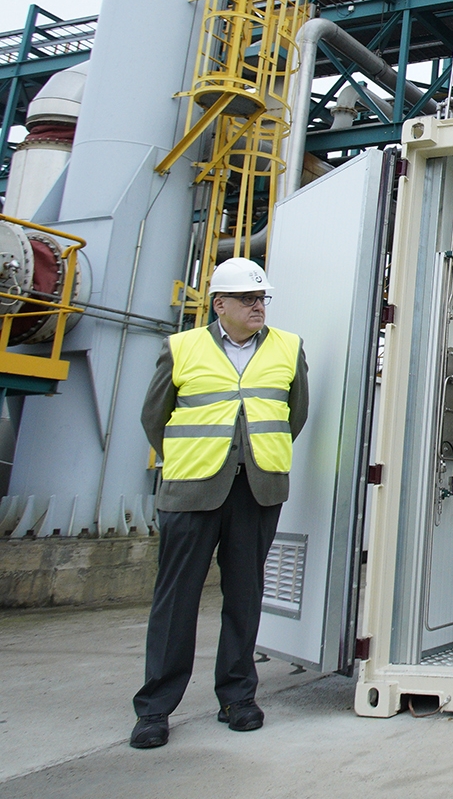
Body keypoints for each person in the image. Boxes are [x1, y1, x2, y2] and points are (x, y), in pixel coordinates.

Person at [130, 257, 309, 749]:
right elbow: (155, 417)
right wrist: (196, 457)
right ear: (219, 305)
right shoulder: (182, 348)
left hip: (256, 490)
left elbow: (295, 416)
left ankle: (237, 697)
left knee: (245, 595)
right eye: (248, 299)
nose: (258, 306)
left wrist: (253, 456)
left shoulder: (289, 348)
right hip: (192, 491)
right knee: (176, 600)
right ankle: (155, 709)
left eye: (262, 299)